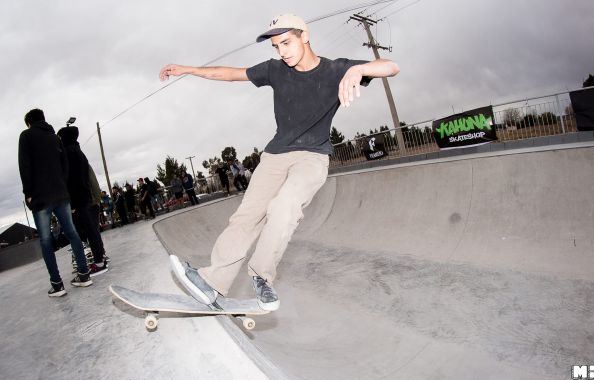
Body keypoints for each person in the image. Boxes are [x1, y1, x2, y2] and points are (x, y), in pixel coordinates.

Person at [159, 14, 399, 311]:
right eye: (276, 46)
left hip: (312, 157)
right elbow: (231, 74)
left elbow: (391, 66)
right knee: (246, 218)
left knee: (284, 207)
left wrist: (359, 69)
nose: (282, 52)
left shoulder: (336, 69)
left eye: (286, 42)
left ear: (305, 36)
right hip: (275, 156)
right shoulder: (275, 70)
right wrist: (189, 69)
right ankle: (213, 283)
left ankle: (262, 277)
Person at [18, 109, 93, 296]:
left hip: (40, 197)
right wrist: (62, 183)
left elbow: (24, 164)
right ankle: (84, 275)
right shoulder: (55, 138)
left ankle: (57, 285)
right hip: (61, 195)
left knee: (45, 241)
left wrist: (28, 192)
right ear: (43, 120)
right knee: (72, 233)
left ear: (29, 123)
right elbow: (65, 164)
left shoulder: (26, 136)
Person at [57, 125, 109, 276]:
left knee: (89, 231)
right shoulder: (78, 151)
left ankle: (99, 262)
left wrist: (73, 203)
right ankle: (101, 257)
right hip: (89, 198)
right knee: (92, 231)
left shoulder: (70, 153)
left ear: (64, 138)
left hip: (82, 200)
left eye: (60, 138)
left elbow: (74, 181)